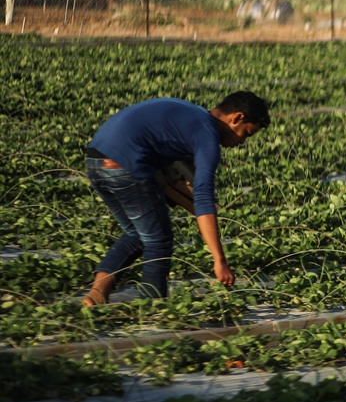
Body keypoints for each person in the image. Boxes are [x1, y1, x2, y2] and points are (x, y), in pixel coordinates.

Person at [82, 91, 270, 306]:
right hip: (124, 165)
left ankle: (97, 293)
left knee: (138, 233)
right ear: (237, 117)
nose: (242, 142)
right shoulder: (207, 134)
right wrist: (219, 260)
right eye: (246, 134)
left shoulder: (193, 113)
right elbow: (203, 196)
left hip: (95, 160)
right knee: (159, 240)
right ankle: (154, 307)